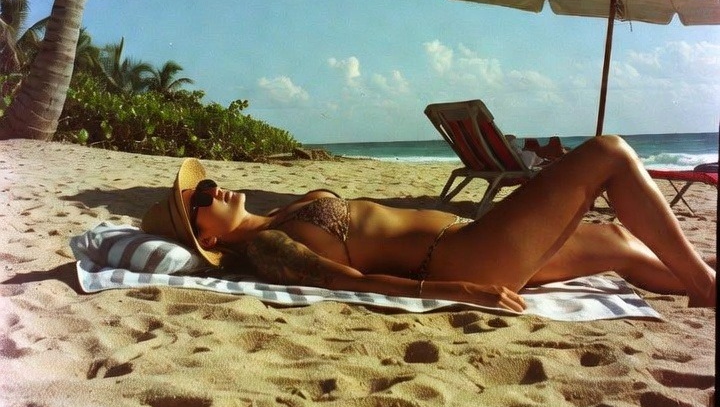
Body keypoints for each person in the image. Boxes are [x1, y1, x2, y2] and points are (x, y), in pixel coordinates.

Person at [141, 135, 716, 313]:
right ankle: (704, 288)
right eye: (206, 195)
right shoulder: (269, 246)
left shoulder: (282, 214)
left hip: (471, 239)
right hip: (465, 257)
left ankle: (705, 282)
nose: (217, 186)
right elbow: (353, 284)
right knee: (608, 153)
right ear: (207, 235)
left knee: (618, 240)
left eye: (208, 182)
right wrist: (460, 290)